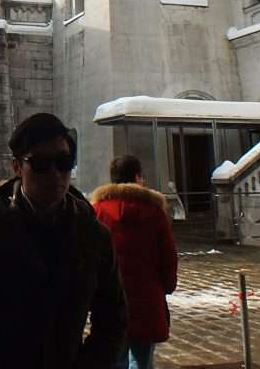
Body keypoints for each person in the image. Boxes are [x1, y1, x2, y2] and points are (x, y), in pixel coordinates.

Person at [0, 113, 126, 369]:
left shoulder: (93, 234)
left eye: (63, 162)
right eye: (40, 163)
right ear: (17, 167)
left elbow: (114, 317)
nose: (54, 173)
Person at [91, 155, 178, 369]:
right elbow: (168, 255)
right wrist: (167, 285)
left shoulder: (98, 211)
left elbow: (90, 256)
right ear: (137, 177)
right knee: (142, 360)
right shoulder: (154, 211)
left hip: (110, 298)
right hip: (147, 297)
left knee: (114, 357)